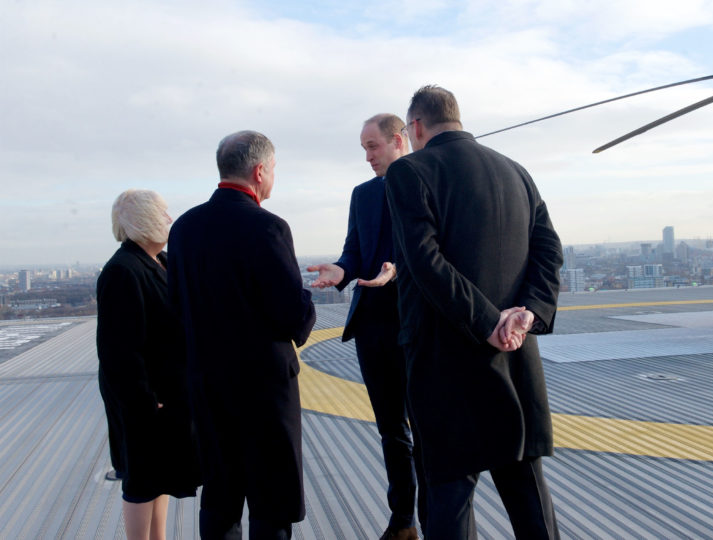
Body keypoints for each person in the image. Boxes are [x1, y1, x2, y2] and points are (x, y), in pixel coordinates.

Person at [384, 85, 564, 539]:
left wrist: (487, 323)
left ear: (416, 127)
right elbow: (549, 250)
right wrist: (526, 314)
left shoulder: (409, 172)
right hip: (515, 358)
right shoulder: (515, 171)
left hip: (447, 363)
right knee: (527, 492)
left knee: (449, 499)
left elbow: (424, 262)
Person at [166, 131, 316, 539]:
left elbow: (174, 309)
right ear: (260, 170)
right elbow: (293, 317)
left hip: (207, 386)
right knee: (271, 502)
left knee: (219, 498)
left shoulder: (183, 229)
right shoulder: (267, 227)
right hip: (264, 391)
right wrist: (306, 297)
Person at [307, 113, 421, 540]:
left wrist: (399, 271)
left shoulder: (428, 183)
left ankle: (434, 517)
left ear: (398, 141)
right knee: (392, 429)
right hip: (374, 325)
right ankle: (403, 520)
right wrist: (340, 270)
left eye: (373, 147)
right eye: (364, 149)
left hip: (417, 321)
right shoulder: (363, 195)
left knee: (425, 429)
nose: (368, 157)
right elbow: (354, 251)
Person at [96, 189, 200, 540]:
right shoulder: (122, 271)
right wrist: (143, 400)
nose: (169, 220)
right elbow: (117, 351)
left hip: (166, 396)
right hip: (144, 401)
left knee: (159, 478)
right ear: (144, 221)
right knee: (142, 481)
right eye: (163, 213)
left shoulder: (162, 262)